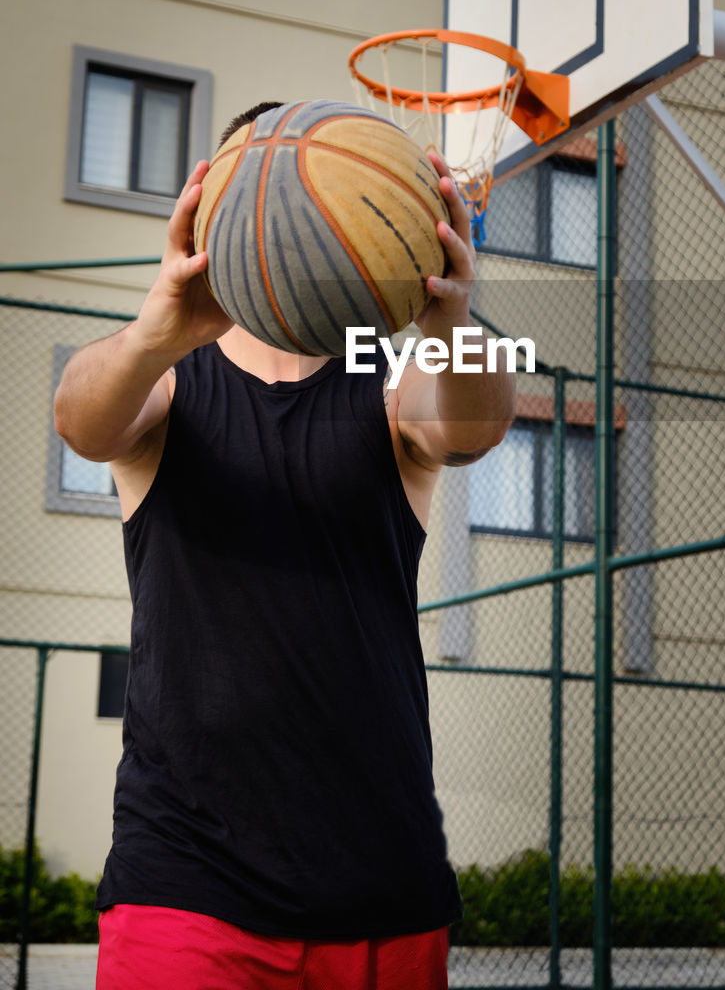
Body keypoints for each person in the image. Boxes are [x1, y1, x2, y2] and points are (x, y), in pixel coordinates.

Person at [53, 101, 516, 990]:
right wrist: (158, 327)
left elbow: (472, 428)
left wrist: (450, 320)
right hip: (186, 881)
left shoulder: (388, 384)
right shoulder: (167, 384)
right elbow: (80, 417)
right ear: (212, 212)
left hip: (383, 879)